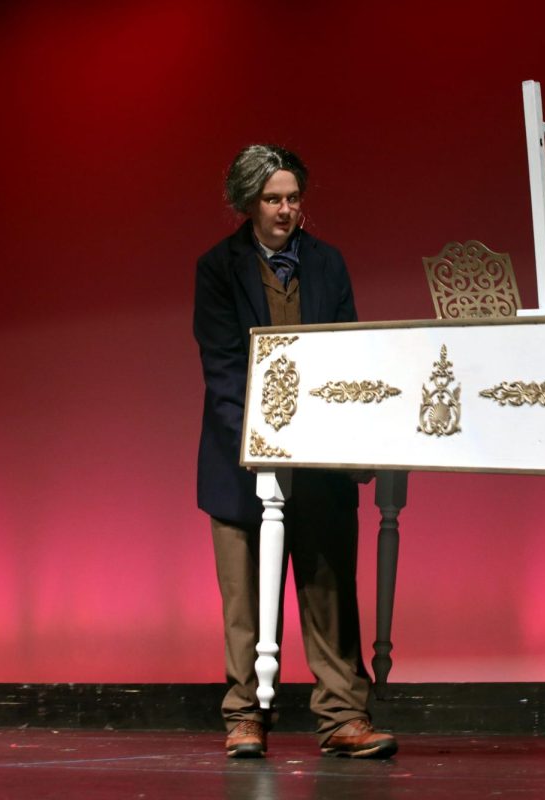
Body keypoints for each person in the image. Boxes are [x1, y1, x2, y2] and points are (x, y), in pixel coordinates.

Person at [193, 143, 397, 759]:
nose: (285, 210)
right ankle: (246, 716)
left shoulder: (328, 263)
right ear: (248, 204)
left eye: (292, 198)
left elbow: (347, 354)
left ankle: (342, 716)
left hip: (322, 458)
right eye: (272, 199)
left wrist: (347, 441)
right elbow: (224, 369)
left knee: (330, 587)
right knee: (246, 600)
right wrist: (256, 443)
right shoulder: (217, 268)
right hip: (240, 459)